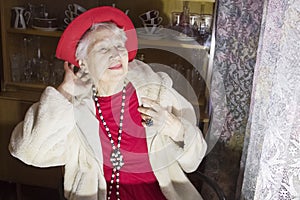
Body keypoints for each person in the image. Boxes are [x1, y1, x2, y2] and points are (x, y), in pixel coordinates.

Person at [9, 6, 207, 200]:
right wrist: (66, 91)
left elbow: (194, 159)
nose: (116, 54)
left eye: (119, 46)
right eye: (103, 48)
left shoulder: (155, 90)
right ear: (83, 62)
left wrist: (174, 127)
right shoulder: (72, 108)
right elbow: (28, 152)